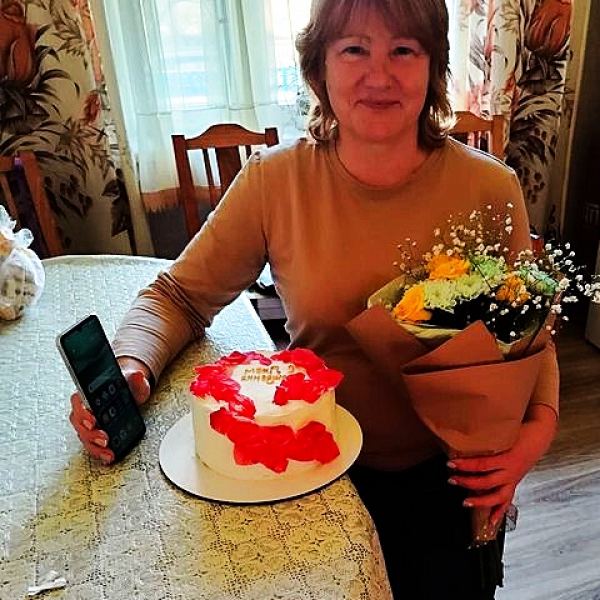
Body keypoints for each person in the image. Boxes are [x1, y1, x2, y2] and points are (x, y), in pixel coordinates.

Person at [69, 0, 559, 597]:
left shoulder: (489, 186)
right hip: (312, 471)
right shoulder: (275, 181)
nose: (379, 75)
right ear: (317, 68)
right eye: (354, 49)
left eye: (404, 50)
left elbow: (530, 333)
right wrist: (131, 367)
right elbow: (178, 296)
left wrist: (535, 434)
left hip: (456, 478)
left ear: (434, 67)